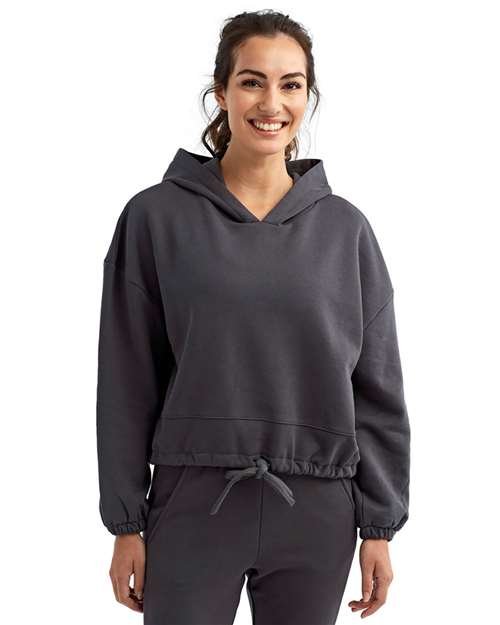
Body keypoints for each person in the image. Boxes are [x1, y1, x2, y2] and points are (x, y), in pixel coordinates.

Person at [96, 10, 411, 625]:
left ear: (308, 98)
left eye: (291, 84)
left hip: (317, 511)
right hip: (191, 503)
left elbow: (377, 388)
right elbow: (127, 379)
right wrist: (126, 521)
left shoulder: (345, 229)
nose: (271, 103)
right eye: (251, 81)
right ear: (221, 92)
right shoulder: (155, 219)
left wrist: (379, 526)